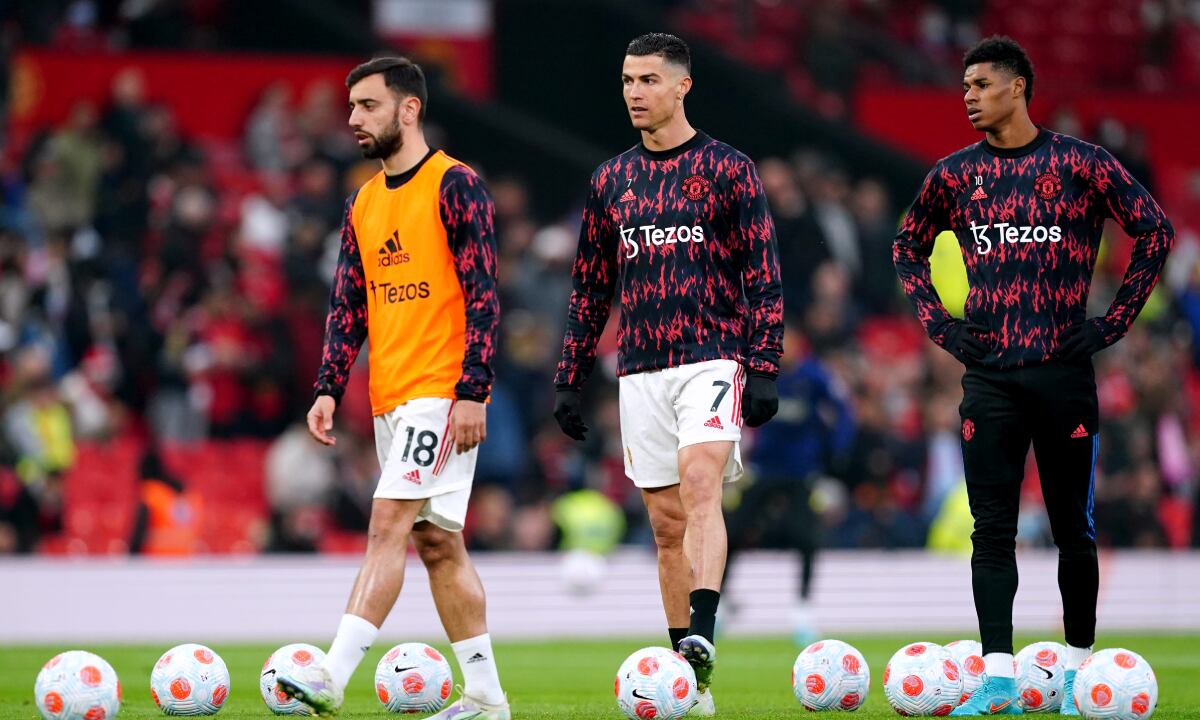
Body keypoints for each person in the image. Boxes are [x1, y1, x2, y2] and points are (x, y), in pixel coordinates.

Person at [893, 36, 1173, 716]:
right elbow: (907, 246)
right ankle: (996, 680)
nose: (968, 96)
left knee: (1072, 527)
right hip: (988, 378)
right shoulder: (954, 175)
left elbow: (1156, 231)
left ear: (1018, 87)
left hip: (1063, 376)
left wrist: (1111, 325)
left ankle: (1076, 673)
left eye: (981, 84)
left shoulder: (1081, 164)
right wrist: (944, 327)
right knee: (992, 530)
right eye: (965, 85)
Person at [552, 33, 783, 716]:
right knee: (663, 525)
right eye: (627, 80)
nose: (634, 92)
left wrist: (763, 365)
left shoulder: (727, 169)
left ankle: (702, 637)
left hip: (711, 354)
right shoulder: (610, 181)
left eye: (648, 80)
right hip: (641, 367)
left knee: (701, 482)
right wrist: (569, 376)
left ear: (683, 86)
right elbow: (590, 288)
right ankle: (693, 683)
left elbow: (763, 276)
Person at [277, 57, 507, 719]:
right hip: (390, 396)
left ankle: (330, 674)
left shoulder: (456, 185)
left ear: (408, 109)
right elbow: (349, 304)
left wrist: (472, 388)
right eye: (352, 107)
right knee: (438, 543)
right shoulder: (364, 202)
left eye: (368, 105)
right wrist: (327, 386)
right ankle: (488, 697)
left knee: (388, 525)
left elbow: (485, 294)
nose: (353, 118)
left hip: (441, 389)